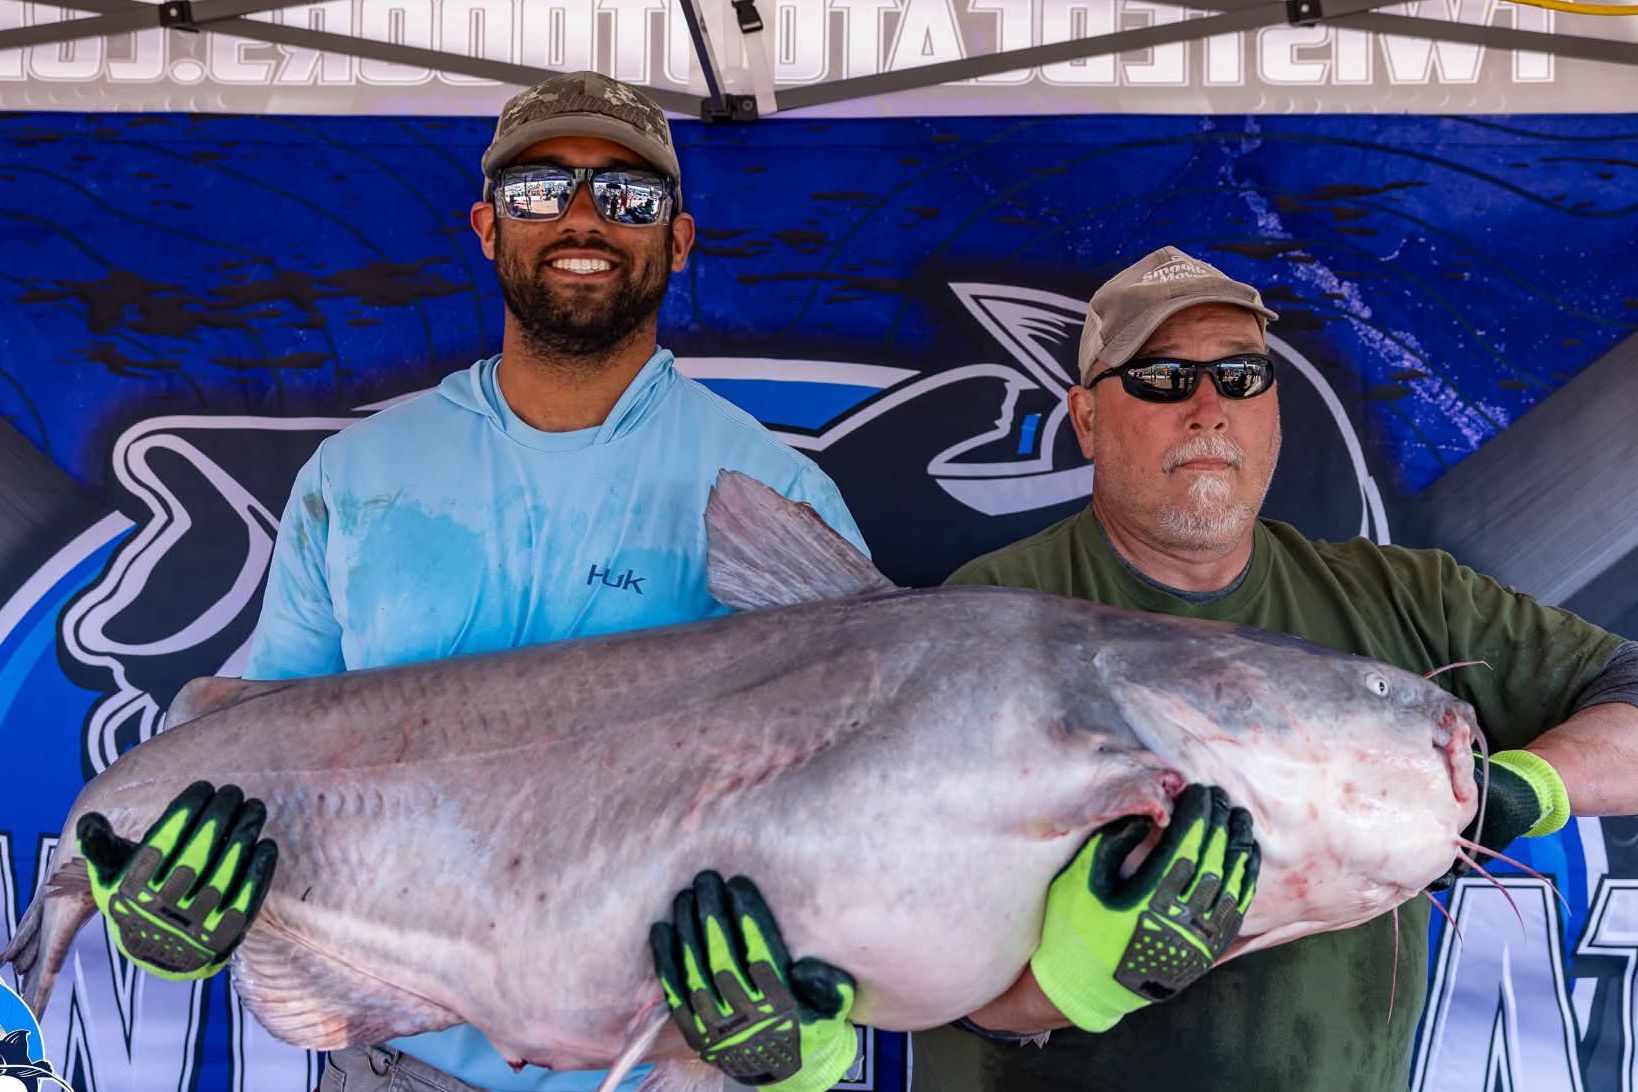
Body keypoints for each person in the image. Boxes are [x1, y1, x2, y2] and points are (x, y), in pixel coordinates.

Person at [75, 70, 872, 1092]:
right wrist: (165, 921)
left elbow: (855, 825)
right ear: (489, 228)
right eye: (543, 191)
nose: (584, 219)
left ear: (677, 240)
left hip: (675, 1070)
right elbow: (263, 765)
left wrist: (802, 1054)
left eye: (629, 197)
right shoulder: (356, 478)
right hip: (397, 1065)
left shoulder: (776, 498)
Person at [903, 245, 1638, 1091]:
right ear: (1088, 417)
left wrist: (1525, 790)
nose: (1209, 409)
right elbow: (920, 958)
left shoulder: (1407, 596)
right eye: (1161, 378)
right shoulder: (994, 607)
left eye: (1242, 376)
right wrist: (1067, 981)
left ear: (1273, 407)